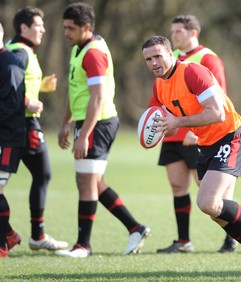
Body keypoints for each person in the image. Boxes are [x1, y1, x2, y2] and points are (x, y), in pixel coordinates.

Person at [142, 35, 241, 279]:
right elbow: (174, 121)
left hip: (230, 137)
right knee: (218, 213)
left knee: (207, 202)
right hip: (206, 146)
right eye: (148, 59)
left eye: (158, 56)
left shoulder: (192, 72)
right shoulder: (159, 86)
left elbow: (216, 113)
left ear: (170, 54)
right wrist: (162, 127)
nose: (154, 62)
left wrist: (179, 122)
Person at [56, 2, 150, 258]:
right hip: (88, 123)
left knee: (86, 183)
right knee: (93, 182)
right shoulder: (79, 48)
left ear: (86, 27)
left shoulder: (93, 53)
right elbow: (75, 90)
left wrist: (83, 134)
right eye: (64, 27)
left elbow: (97, 99)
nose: (66, 32)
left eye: (71, 28)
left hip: (98, 123)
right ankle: (135, 228)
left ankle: (83, 245)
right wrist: (66, 122)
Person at [153, 14, 237, 254]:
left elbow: (218, 98)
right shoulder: (170, 62)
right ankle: (183, 240)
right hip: (173, 132)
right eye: (172, 31)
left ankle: (232, 237)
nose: (174, 36)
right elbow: (159, 102)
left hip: (198, 134)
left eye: (178, 31)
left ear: (193, 33)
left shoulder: (207, 59)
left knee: (209, 190)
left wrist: (193, 130)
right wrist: (152, 126)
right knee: (177, 184)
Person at [6, 6, 68, 252]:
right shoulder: (21, 53)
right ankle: (34, 235)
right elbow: (7, 88)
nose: (43, 29)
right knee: (42, 174)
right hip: (22, 123)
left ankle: (18, 234)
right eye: (38, 25)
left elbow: (13, 82)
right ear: (24, 27)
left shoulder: (15, 48)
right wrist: (27, 102)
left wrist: (40, 87)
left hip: (17, 121)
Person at [0, 22, 26, 258]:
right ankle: (8, 235)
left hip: (8, 139)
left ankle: (3, 244)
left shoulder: (10, 65)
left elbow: (12, 104)